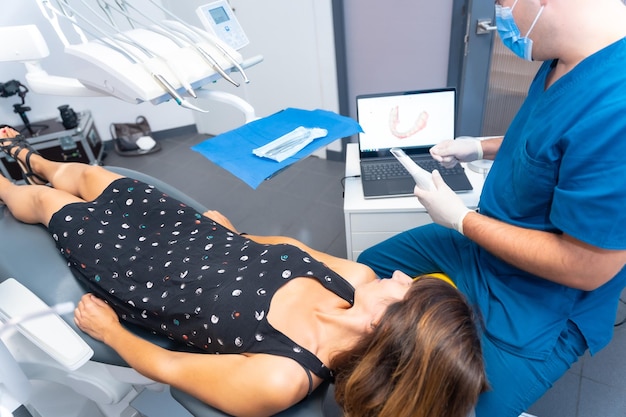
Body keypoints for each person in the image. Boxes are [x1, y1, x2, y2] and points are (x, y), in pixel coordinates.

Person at [0, 127, 487, 417]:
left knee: (50, 202)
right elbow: (288, 247)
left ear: (387, 330)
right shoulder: (357, 281)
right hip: (198, 237)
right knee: (92, 176)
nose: (400, 277)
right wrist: (232, 238)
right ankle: (28, 155)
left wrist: (110, 330)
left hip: (144, 273)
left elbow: (167, 366)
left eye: (406, 292)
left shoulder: (283, 376)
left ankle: (5, 184)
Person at [357, 1, 626, 416]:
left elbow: (587, 266)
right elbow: (545, 141)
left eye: (502, 3)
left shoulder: (617, 108)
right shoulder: (566, 54)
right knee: (368, 265)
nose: (499, 15)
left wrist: (461, 220)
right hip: (485, 244)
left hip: (541, 300)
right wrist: (479, 147)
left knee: (462, 408)